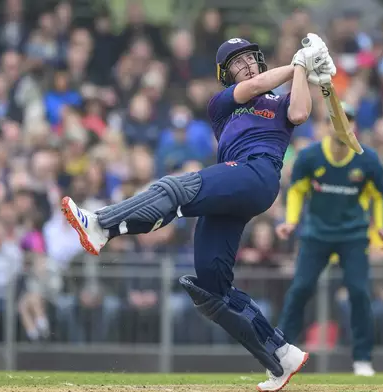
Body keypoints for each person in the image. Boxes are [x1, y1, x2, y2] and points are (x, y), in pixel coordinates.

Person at [60, 34, 336, 391]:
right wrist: (300, 62)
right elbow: (254, 85)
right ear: (226, 73)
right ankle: (281, 354)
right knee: (212, 286)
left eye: (250, 57)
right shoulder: (221, 103)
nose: (246, 65)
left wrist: (302, 68)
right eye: (236, 62)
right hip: (236, 182)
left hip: (258, 175)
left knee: (176, 188)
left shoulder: (281, 102)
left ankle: (101, 225)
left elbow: (299, 112)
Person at [275, 103, 383, 376]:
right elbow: (296, 191)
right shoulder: (310, 157)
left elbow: (380, 196)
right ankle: (280, 354)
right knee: (300, 289)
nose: (343, 125)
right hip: (316, 234)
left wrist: (382, 227)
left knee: (359, 292)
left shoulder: (368, 159)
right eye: (337, 120)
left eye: (348, 120)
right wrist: (291, 221)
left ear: (355, 126)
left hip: (353, 235)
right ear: (327, 126)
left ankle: (362, 359)